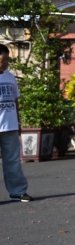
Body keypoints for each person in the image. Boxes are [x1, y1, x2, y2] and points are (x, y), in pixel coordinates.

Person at [0, 44, 32, 202]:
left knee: (12, 161)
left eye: (7, 59)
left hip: (10, 126)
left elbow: (15, 101)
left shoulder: (9, 76)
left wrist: (18, 122)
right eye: (3, 59)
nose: (6, 62)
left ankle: (17, 191)